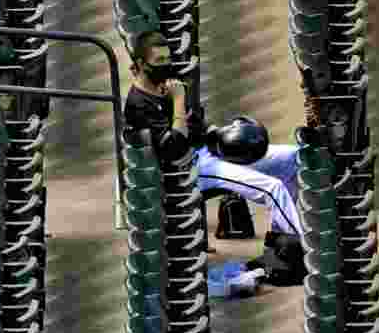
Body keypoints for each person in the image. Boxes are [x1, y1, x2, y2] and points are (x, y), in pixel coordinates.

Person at [122, 30, 306, 237]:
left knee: (296, 158)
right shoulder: (138, 104)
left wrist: (220, 134)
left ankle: (282, 238)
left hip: (210, 152)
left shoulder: (165, 84)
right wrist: (179, 100)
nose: (166, 65)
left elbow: (196, 124)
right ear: (141, 63)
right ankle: (297, 249)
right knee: (273, 188)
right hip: (190, 166)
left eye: (168, 58)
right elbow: (174, 149)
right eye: (159, 60)